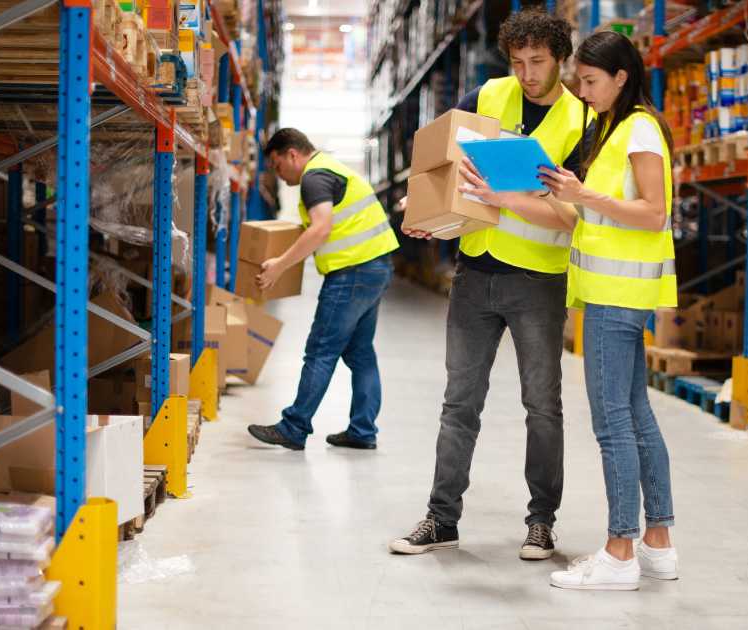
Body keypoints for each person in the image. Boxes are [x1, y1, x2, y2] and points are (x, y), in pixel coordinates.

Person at [461, 30, 679, 591]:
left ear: (621, 77)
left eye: (589, 81)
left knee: (612, 426)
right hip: (611, 290)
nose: (580, 93)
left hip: (616, 295)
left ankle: (619, 551)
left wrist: (582, 197)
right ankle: (658, 543)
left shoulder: (638, 129)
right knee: (637, 417)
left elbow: (653, 213)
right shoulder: (611, 129)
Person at [388, 9, 592, 561]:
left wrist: (506, 201)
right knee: (459, 403)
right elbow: (449, 164)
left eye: (539, 63)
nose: (527, 74)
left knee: (542, 406)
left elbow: (572, 218)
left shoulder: (580, 121)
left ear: (561, 60)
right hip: (476, 271)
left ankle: (542, 521)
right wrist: (421, 203)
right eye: (519, 62)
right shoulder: (491, 95)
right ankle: (441, 518)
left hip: (538, 281)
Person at [246, 128, 399, 451]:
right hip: (376, 267)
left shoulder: (314, 177)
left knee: (320, 350)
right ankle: (362, 429)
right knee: (360, 353)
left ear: (292, 154)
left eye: (277, 165)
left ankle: (294, 426)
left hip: (352, 272)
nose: (278, 173)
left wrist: (279, 266)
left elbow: (321, 228)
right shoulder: (332, 169)